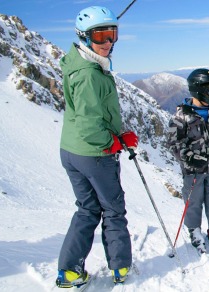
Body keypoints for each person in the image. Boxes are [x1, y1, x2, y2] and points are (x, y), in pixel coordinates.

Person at [56, 6, 138, 288]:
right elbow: (91, 124)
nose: (108, 43)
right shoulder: (90, 74)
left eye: (112, 34)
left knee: (87, 210)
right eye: (100, 35)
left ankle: (69, 271)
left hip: (72, 150)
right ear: (84, 36)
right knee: (113, 210)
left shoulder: (76, 62)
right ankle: (122, 268)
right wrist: (114, 141)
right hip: (95, 154)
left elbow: (88, 114)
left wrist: (118, 133)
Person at [166, 68, 209, 256]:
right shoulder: (182, 116)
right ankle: (194, 230)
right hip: (193, 171)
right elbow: (173, 143)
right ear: (197, 89)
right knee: (193, 201)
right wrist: (188, 157)